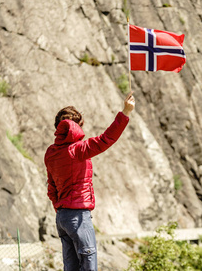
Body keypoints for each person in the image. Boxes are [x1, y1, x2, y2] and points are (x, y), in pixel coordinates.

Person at [44, 92, 135, 271]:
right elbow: (106, 139)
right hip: (78, 216)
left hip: (62, 217)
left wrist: (60, 208)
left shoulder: (51, 153)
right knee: (88, 263)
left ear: (58, 127)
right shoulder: (78, 150)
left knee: (70, 266)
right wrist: (125, 112)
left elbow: (51, 188)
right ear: (77, 127)